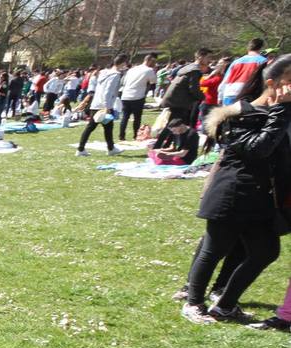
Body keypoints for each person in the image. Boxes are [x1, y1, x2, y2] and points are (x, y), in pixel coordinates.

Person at [180, 58, 291, 325]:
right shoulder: (242, 113)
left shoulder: (281, 115)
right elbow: (256, 150)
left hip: (261, 197)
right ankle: (193, 302)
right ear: (272, 84)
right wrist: (280, 113)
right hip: (233, 191)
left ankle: (225, 305)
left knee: (265, 251)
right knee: (213, 248)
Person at [77, 56, 128, 156]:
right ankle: (81, 149)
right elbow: (108, 91)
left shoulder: (104, 72)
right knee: (92, 127)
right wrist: (107, 107)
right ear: (122, 63)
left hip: (97, 103)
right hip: (103, 105)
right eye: (125, 63)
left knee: (106, 127)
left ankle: (110, 148)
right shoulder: (115, 75)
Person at [220, 38, 269, 107]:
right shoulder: (263, 62)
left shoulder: (235, 62)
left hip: (229, 96)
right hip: (248, 97)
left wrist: (220, 98)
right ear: (261, 48)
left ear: (248, 48)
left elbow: (224, 83)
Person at [120, 53, 158, 138]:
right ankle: (135, 135)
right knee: (137, 118)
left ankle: (121, 135)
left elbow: (124, 82)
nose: (154, 64)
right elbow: (153, 83)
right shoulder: (149, 70)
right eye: (154, 62)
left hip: (126, 95)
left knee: (125, 117)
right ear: (149, 61)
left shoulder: (132, 69)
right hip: (137, 96)